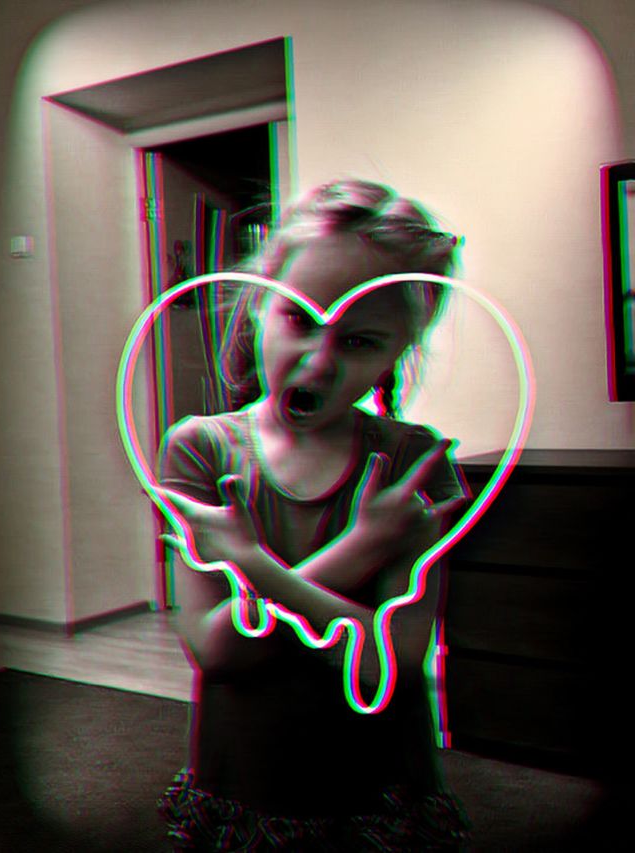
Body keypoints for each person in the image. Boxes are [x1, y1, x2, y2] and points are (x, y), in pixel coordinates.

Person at [155, 178, 472, 851]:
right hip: (248, 772)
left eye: (359, 342)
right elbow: (217, 651)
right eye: (299, 320)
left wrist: (252, 563)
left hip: (378, 781)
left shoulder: (415, 463)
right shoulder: (199, 449)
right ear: (259, 306)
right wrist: (363, 553)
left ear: (397, 353)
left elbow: (386, 668)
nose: (319, 362)